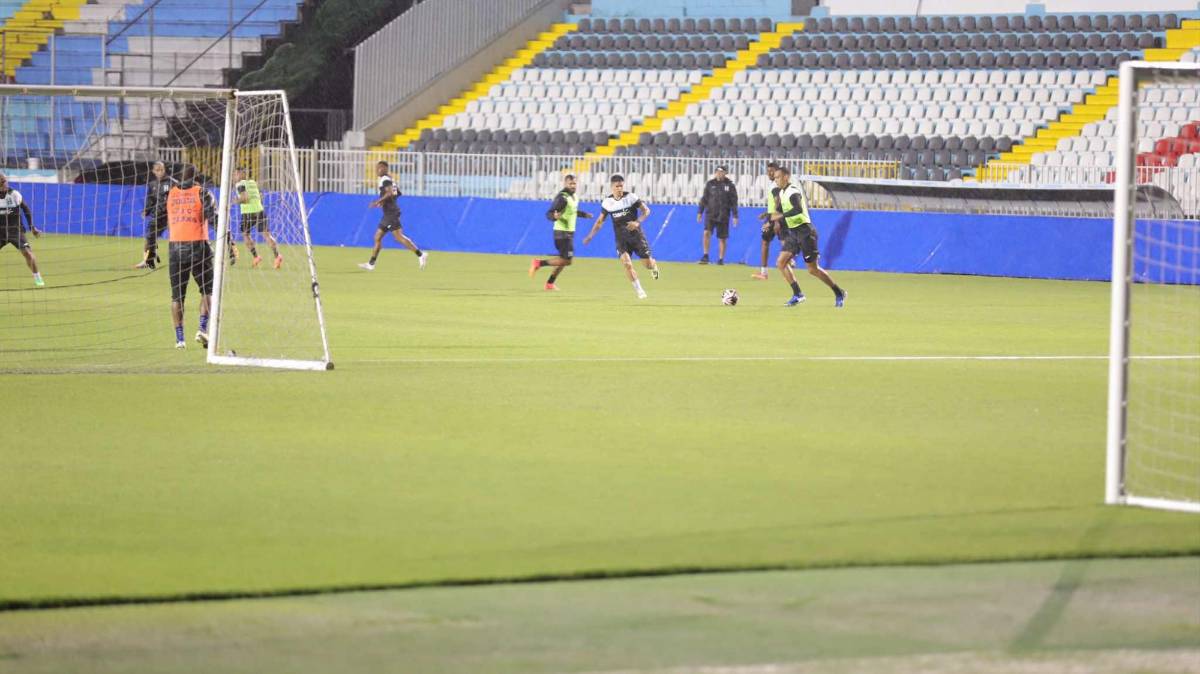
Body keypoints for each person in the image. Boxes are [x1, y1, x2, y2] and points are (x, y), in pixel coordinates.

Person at [770, 166, 845, 308]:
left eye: (778, 177)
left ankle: (838, 292)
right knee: (781, 263)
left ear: (786, 177)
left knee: (812, 269)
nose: (776, 180)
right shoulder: (782, 193)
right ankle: (798, 294)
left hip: (805, 232)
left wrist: (781, 216)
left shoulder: (793, 192)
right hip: (794, 233)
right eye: (774, 178)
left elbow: (797, 209)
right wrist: (771, 221)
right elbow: (781, 211)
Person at [165, 165, 217, 349]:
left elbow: (158, 220)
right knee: (207, 291)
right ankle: (202, 328)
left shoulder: (170, 194)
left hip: (175, 249)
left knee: (177, 297)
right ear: (197, 178)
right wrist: (229, 242)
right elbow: (214, 218)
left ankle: (180, 340)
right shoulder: (202, 192)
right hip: (198, 247)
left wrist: (149, 249)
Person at [582, 174, 659, 299]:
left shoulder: (631, 197)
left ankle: (654, 265)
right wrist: (590, 236)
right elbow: (600, 221)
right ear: (612, 187)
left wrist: (637, 222)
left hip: (636, 236)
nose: (619, 188)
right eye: (617, 186)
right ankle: (640, 291)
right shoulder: (608, 202)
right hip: (621, 239)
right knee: (627, 264)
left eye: (621, 186)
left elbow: (646, 211)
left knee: (648, 264)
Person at [359, 160, 427, 271]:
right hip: (389, 213)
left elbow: (390, 193)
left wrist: (378, 201)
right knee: (378, 237)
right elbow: (397, 193)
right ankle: (371, 264)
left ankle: (420, 255)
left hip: (391, 213)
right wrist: (385, 201)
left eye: (379, 168)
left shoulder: (385, 179)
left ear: (385, 168)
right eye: (377, 168)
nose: (377, 170)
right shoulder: (390, 180)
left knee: (398, 237)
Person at [528, 173, 592, 291]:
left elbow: (573, 211)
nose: (573, 186)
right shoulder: (562, 197)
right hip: (561, 233)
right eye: (570, 183)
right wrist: (554, 216)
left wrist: (584, 215)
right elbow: (549, 213)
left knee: (563, 260)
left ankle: (549, 284)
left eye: (574, 183)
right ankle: (538, 263)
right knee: (567, 261)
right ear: (565, 184)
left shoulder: (574, 197)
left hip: (569, 233)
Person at [233, 166, 282, 269]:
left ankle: (256, 256)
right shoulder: (253, 183)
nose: (235, 176)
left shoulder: (240, 184)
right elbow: (261, 196)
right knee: (267, 235)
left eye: (236, 174)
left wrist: (235, 201)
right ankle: (277, 256)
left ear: (242, 174)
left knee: (245, 234)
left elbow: (245, 198)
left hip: (248, 213)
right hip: (260, 211)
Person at [0, 172, 44, 287]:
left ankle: (37, 277)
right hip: (0, 231)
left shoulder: (14, 194)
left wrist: (32, 227)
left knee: (28, 254)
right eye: (3, 181)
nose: (5, 183)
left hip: (15, 230)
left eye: (5, 180)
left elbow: (26, 209)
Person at [135, 161, 176, 269]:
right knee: (149, 237)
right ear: (153, 171)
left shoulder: (172, 183)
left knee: (176, 238)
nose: (160, 172)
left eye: (161, 169)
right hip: (158, 215)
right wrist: (146, 210)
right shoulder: (152, 184)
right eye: (157, 170)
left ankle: (180, 260)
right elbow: (151, 200)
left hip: (171, 216)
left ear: (164, 170)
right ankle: (146, 260)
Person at [696, 165, 738, 265]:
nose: (719, 173)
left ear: (725, 173)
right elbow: (704, 199)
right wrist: (700, 212)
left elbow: (734, 201)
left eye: (721, 172)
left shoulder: (730, 185)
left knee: (722, 238)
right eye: (717, 172)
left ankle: (721, 259)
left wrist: (735, 215)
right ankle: (705, 255)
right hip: (711, 213)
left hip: (723, 214)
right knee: (706, 233)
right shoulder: (710, 184)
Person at [752, 161, 782, 280]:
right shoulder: (776, 184)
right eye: (768, 171)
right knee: (782, 241)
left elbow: (778, 202)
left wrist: (774, 221)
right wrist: (766, 213)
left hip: (776, 217)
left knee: (766, 242)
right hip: (777, 215)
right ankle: (789, 263)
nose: (769, 173)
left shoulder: (775, 185)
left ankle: (764, 273)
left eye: (772, 171)